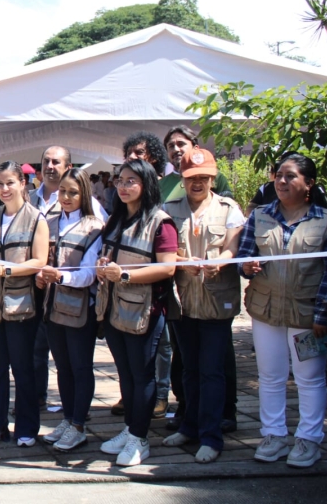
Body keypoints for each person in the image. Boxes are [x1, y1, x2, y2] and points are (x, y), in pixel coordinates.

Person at [238, 153, 327, 468]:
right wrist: (247, 267)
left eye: (290, 176)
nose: (281, 181)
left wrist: (323, 316)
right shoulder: (259, 216)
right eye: (279, 175)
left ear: (308, 184)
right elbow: (243, 258)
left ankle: (308, 440)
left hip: (308, 316)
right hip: (265, 311)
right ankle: (273, 436)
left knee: (309, 378)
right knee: (270, 376)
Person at [161, 149, 244, 463]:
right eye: (192, 178)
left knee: (211, 371)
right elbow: (166, 252)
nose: (198, 183)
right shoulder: (169, 209)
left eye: (204, 177)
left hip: (216, 301)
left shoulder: (228, 209)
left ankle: (211, 437)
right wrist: (184, 262)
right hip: (182, 301)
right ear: (183, 179)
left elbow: (233, 248)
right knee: (189, 370)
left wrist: (218, 262)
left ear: (213, 178)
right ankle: (190, 426)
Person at [95, 158, 178, 467]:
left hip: (145, 309)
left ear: (146, 185)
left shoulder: (160, 222)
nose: (124, 186)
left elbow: (168, 267)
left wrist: (125, 275)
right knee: (125, 373)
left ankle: (140, 438)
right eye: (120, 180)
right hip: (114, 307)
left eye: (131, 181)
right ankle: (130, 429)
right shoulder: (116, 218)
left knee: (142, 373)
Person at [0, 161, 48, 447]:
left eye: (10, 183)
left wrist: (6, 269)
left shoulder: (35, 218)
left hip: (22, 305)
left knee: (22, 366)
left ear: (23, 183)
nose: (4, 189)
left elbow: (39, 260)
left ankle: (27, 427)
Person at [37, 169, 105, 452]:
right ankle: (67, 418)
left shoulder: (94, 227)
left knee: (80, 366)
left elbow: (90, 274)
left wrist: (60, 277)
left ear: (84, 194)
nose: (65, 197)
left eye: (73, 192)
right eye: (62, 191)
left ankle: (79, 424)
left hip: (79, 309)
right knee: (62, 367)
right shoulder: (49, 222)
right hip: (51, 308)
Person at [121, 131, 173, 420]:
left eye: (139, 154)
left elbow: (166, 262)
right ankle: (132, 398)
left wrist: (126, 275)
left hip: (157, 289)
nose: (133, 158)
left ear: (153, 157)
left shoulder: (164, 196)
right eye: (129, 154)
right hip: (127, 296)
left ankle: (160, 395)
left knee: (160, 343)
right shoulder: (124, 207)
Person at [159, 126, 232, 202]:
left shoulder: (213, 177)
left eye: (181, 144)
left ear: (195, 148)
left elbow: (226, 209)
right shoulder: (160, 185)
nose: (176, 149)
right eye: (171, 146)